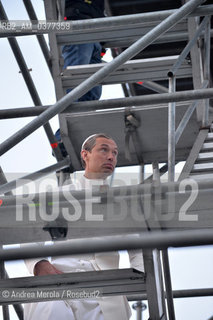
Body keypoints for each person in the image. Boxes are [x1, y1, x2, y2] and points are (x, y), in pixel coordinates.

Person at [24, 133, 144, 320]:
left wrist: (140, 277)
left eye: (115, 152)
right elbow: (29, 234)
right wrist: (39, 264)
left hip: (105, 293)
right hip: (58, 282)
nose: (111, 156)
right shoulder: (57, 196)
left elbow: (139, 246)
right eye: (104, 149)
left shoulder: (123, 203)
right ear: (85, 155)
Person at [62, 0, 105, 100]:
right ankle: (71, 113)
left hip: (96, 36)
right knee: (76, 79)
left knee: (93, 94)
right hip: (78, 27)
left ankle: (85, 114)